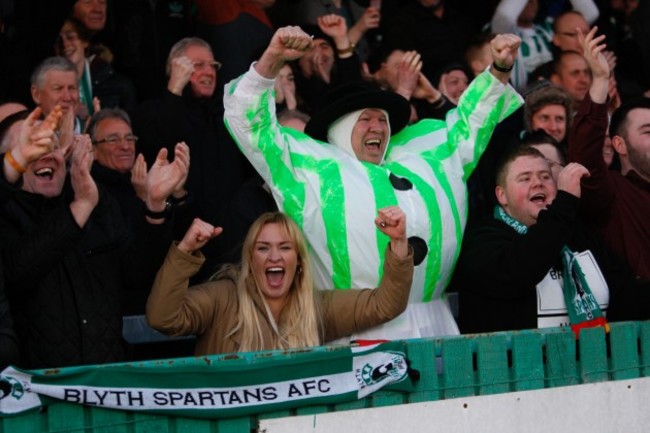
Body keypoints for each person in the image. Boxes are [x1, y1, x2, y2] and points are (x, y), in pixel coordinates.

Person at [224, 26, 523, 340]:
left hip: (435, 327)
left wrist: (499, 69)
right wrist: (272, 59)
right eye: (365, 119)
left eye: (382, 120)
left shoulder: (423, 153)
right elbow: (250, 123)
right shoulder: (308, 165)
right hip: (356, 332)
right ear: (340, 127)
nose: (377, 127)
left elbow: (470, 123)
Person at [0, 104, 187, 369]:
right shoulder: (7, 213)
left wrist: (154, 207)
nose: (45, 154)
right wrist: (81, 207)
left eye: (50, 146)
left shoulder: (97, 200)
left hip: (107, 381)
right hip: (40, 392)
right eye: (31, 147)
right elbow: (17, 276)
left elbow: (137, 272)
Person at [147, 207, 413, 354]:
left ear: (298, 260)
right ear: (250, 259)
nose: (274, 256)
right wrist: (184, 251)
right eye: (263, 248)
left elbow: (385, 304)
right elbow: (163, 319)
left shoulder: (316, 305)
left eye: (285, 247)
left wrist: (399, 241)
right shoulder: (222, 298)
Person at [455, 144, 650, 334]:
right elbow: (521, 270)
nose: (538, 183)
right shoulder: (482, 238)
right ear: (502, 195)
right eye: (525, 178)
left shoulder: (576, 233)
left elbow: (625, 294)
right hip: (517, 364)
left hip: (593, 362)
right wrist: (564, 204)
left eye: (545, 176)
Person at [132, 37, 253, 275]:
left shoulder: (226, 114)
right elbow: (159, 143)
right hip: (184, 237)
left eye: (213, 66)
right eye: (198, 65)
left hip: (232, 238)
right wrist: (175, 88)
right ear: (176, 68)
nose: (208, 72)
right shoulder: (152, 111)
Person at [568, 27, 650, 281]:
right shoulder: (610, 191)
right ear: (619, 145)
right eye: (648, 131)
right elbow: (584, 155)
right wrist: (601, 80)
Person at [55, 16, 137, 117]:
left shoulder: (118, 84)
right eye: (58, 40)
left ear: (85, 41)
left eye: (70, 37)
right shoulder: (48, 87)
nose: (64, 44)